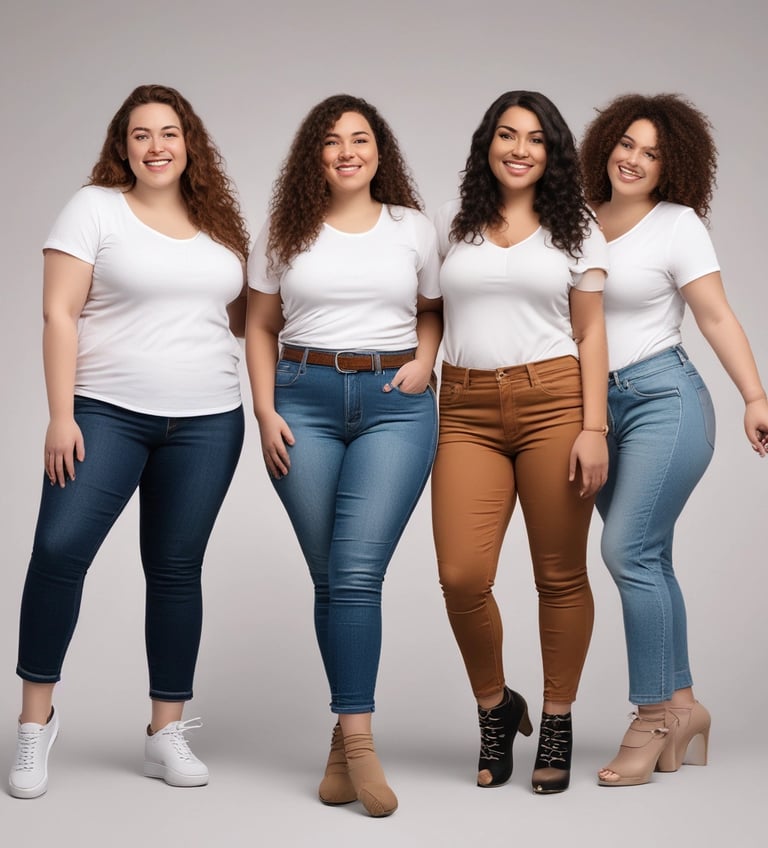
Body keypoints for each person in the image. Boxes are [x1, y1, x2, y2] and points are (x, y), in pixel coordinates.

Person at [8, 84, 249, 799]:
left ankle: (164, 732)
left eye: (169, 133)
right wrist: (61, 414)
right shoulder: (94, 209)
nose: (156, 147)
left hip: (209, 420)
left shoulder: (219, 225)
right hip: (106, 412)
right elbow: (58, 312)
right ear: (123, 145)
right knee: (58, 553)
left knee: (176, 569)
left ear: (189, 142)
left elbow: (241, 318)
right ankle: (33, 727)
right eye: (141, 134)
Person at [246, 94, 441, 817]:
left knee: (356, 572)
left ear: (379, 152)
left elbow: (432, 309)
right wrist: (265, 410)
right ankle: (344, 741)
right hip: (301, 401)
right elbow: (261, 325)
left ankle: (357, 746)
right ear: (315, 157)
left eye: (360, 139)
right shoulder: (284, 230)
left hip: (397, 402)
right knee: (330, 575)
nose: (347, 151)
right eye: (332, 142)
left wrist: (425, 360)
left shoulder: (412, 228)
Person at [580, 93, 768, 787]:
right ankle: (686, 707)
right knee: (649, 557)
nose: (634, 159)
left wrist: (754, 396)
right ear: (606, 144)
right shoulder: (573, 219)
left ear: (673, 166)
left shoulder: (677, 225)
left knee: (626, 550)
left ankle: (653, 715)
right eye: (627, 143)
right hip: (595, 411)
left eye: (652, 152)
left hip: (665, 399)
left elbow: (715, 316)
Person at [432, 90, 609, 795]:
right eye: (506, 135)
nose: (519, 148)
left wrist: (593, 427)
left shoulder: (577, 227)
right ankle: (496, 707)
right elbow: (427, 312)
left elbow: (592, 332)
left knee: (558, 574)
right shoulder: (452, 222)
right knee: (461, 576)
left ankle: (559, 719)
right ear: (487, 144)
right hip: (466, 406)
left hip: (554, 402)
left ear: (552, 152)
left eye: (535, 138)